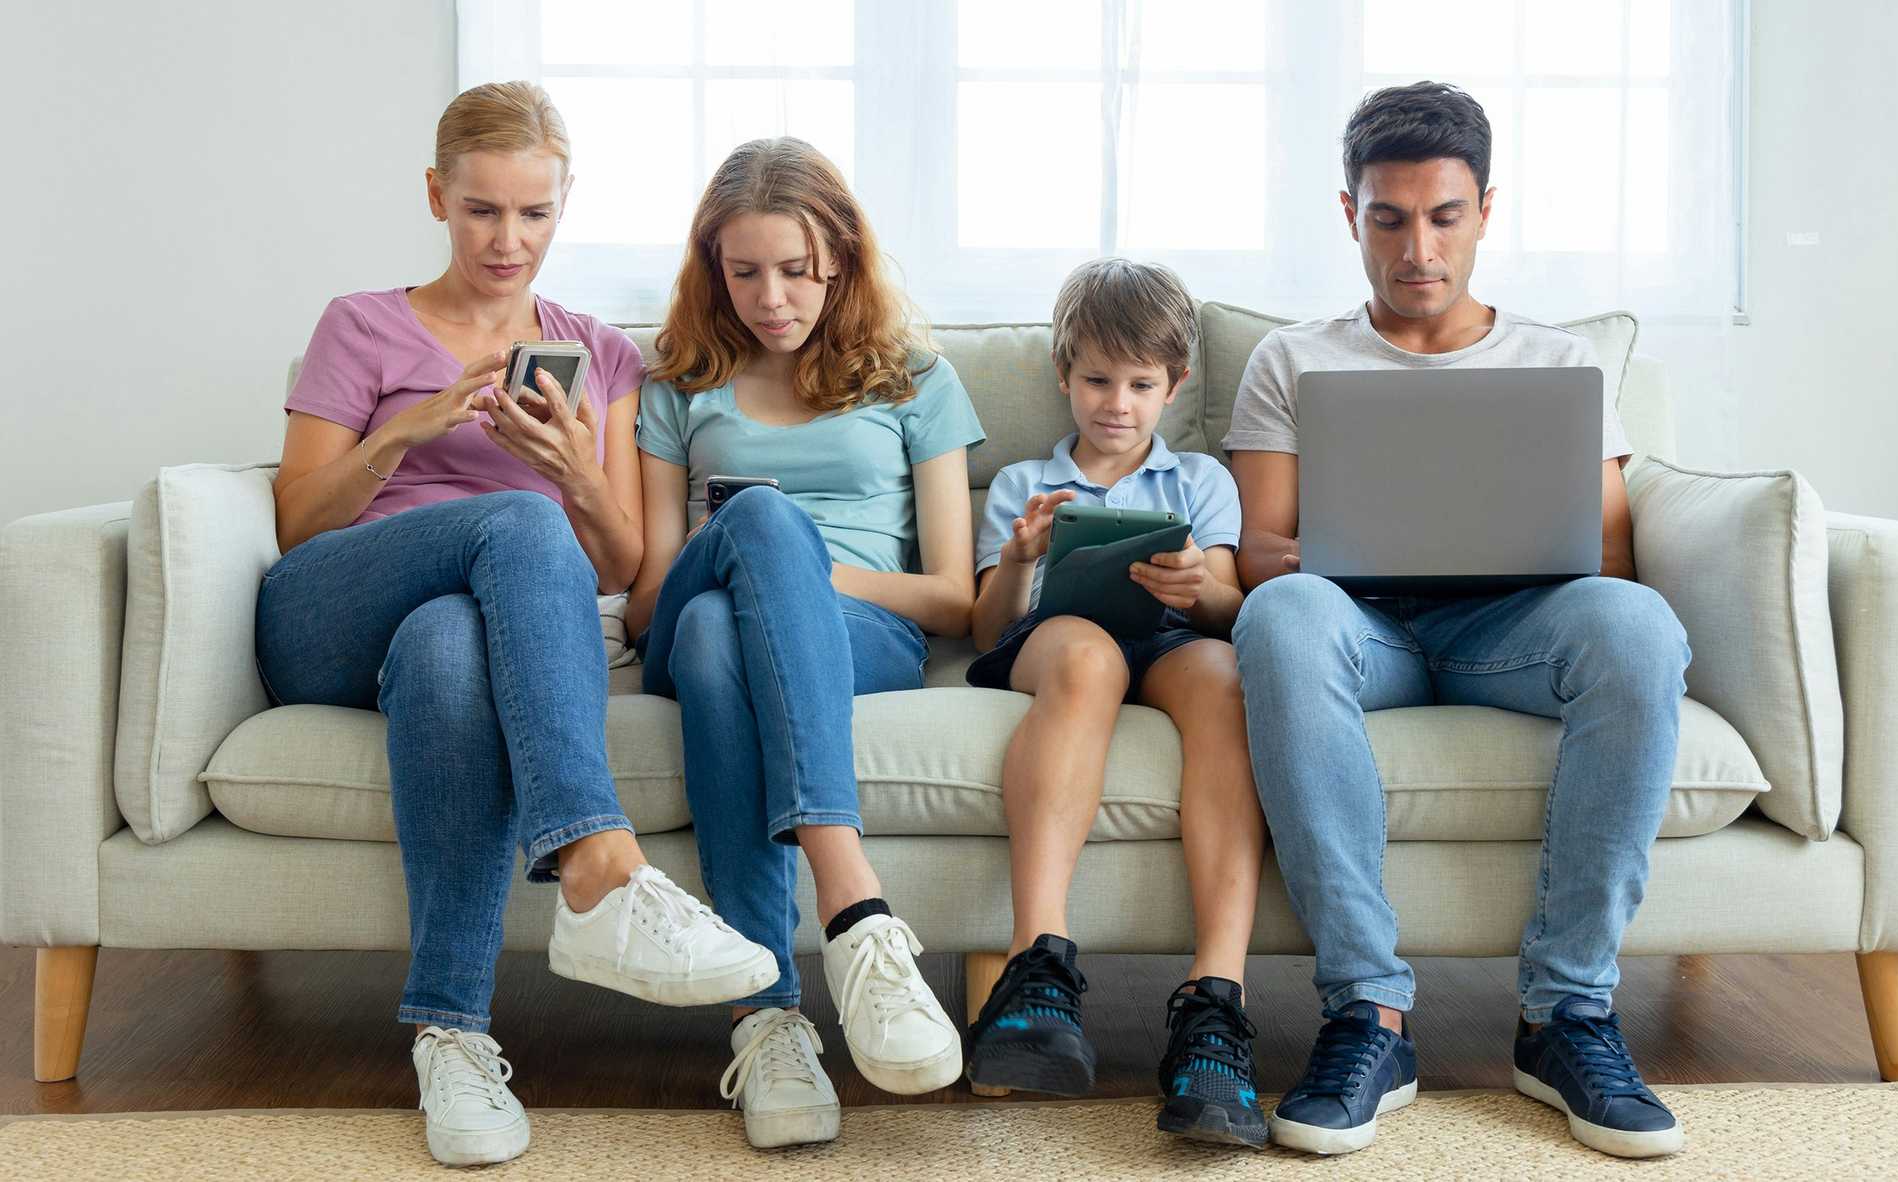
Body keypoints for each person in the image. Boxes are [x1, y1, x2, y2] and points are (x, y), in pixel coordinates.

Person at [256, 83, 774, 1167]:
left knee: (456, 639)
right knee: (514, 525)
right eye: (483, 210)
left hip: (447, 639)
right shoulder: (361, 324)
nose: (508, 239)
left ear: (562, 206)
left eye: (532, 213)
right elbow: (298, 526)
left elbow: (623, 566)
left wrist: (576, 474)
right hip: (330, 615)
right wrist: (411, 430)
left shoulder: (600, 353)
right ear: (437, 196)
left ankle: (450, 1034)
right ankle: (597, 866)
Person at [1225, 82, 1692, 1159]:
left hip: (1513, 633)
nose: (1415, 248)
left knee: (1636, 626)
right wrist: (1348, 548)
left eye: (1442, 216)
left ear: (1485, 210)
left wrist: (1502, 545)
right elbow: (1259, 554)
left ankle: (1566, 1015)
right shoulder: (1290, 361)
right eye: (1386, 219)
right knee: (1284, 615)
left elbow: (1611, 556)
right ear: (1348, 216)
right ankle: (1368, 1015)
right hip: (1362, 630)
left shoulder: (1559, 363)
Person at [628, 137, 983, 1150]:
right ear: (711, 270)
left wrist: (796, 575)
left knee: (717, 635)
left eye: (794, 271)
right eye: (743, 272)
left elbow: (952, 598)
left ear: (839, 263)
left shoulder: (915, 378)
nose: (770, 298)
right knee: (734, 561)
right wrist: (760, 545)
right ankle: (853, 907)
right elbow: (651, 595)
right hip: (695, 593)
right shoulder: (677, 382)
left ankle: (769, 1016)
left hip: (856, 631)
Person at [959, 259, 1269, 1148]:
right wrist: (1021, 559)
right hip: (1061, 646)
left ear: (1173, 386)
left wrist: (1197, 585)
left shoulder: (1201, 480)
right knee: (1090, 655)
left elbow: (1234, 606)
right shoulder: (1024, 484)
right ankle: (1038, 966)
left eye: (1141, 384)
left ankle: (1215, 1001)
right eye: (1097, 380)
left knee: (1223, 677)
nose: (1117, 404)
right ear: (1064, 375)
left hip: (1173, 641)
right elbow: (987, 629)